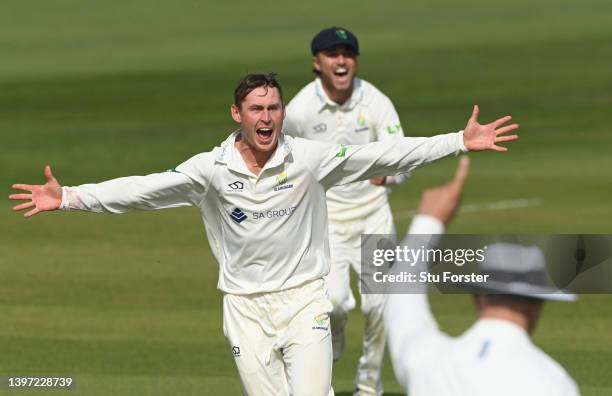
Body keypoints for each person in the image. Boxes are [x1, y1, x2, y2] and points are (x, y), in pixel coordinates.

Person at [10, 72, 518, 396]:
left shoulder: (307, 159)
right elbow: (146, 189)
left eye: (273, 108)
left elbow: (381, 156)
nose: (267, 118)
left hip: (304, 301)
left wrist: (458, 141)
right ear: (238, 114)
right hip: (244, 308)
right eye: (256, 109)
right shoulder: (210, 169)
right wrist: (70, 196)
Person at [385, 157, 580, 396]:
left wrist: (428, 220)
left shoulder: (429, 361)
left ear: (478, 297)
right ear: (537, 304)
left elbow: (401, 301)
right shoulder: (554, 383)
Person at [283, 26, 409, 396]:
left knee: (380, 307)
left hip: (373, 216)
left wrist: (388, 178)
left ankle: (368, 386)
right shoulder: (301, 110)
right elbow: (280, 155)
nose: (341, 61)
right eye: (332, 54)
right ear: (317, 62)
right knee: (334, 303)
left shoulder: (375, 102)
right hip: (327, 221)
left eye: (348, 54)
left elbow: (403, 156)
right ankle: (335, 335)